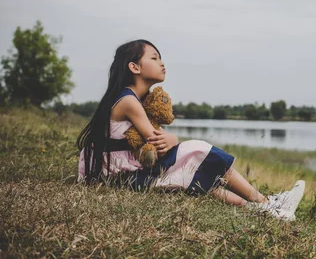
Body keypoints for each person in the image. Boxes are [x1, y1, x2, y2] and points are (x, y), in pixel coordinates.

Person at [76, 39, 303, 221]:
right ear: (134, 67)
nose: (162, 63)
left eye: (161, 58)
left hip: (123, 173)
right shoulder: (128, 101)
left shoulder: (136, 99)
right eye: (154, 58)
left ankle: (264, 210)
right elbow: (156, 142)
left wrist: (171, 141)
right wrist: (174, 139)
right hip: (121, 177)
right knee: (197, 150)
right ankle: (266, 203)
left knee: (193, 171)